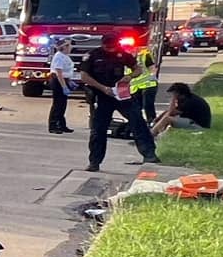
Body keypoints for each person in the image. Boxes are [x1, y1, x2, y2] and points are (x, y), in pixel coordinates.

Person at [79, 39, 156, 171]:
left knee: (138, 121)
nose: (111, 50)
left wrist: (130, 76)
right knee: (98, 130)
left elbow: (138, 69)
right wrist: (102, 88)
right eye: (108, 47)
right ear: (103, 44)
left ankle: (149, 154)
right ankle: (94, 162)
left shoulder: (122, 54)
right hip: (101, 95)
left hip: (121, 94)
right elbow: (84, 76)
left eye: (113, 47)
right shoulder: (93, 55)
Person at [47, 36, 75, 134]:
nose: (71, 47)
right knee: (57, 104)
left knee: (63, 104)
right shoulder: (59, 56)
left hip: (63, 80)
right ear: (64, 47)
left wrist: (69, 81)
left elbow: (66, 71)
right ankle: (53, 125)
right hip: (58, 81)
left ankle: (62, 125)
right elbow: (58, 72)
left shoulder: (65, 56)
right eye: (69, 45)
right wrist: (64, 86)